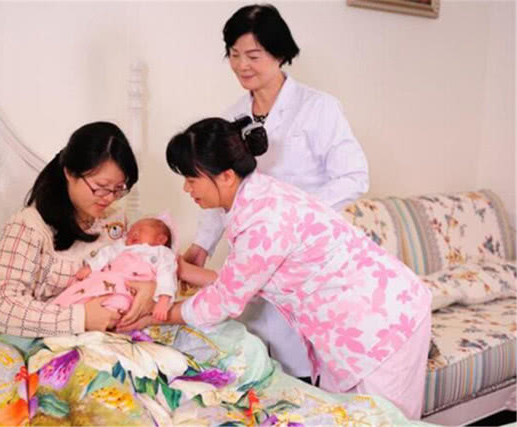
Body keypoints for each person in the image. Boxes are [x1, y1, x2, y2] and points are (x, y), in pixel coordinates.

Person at [120, 116, 431, 420]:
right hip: (355, 322)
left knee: (384, 419)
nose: (187, 189)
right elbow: (241, 281)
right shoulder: (256, 198)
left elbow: (225, 301)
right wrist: (184, 271)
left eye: (191, 179)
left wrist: (159, 314)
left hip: (384, 323)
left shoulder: (263, 220)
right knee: (346, 416)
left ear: (226, 176)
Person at [182, 3, 369, 380]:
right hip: (255, 256)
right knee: (258, 368)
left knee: (305, 373)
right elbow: (222, 187)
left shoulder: (318, 108)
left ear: (280, 53)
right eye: (234, 55)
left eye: (253, 55)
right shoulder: (233, 117)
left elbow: (353, 176)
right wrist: (202, 245)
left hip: (306, 261)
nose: (242, 65)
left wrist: (296, 219)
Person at [0, 122, 157, 337]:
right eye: (101, 187)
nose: (110, 198)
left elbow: (136, 264)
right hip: (47, 340)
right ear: (70, 173)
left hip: (110, 335)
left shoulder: (115, 220)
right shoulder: (29, 226)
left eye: (118, 189)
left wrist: (150, 288)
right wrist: (82, 318)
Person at [50, 216, 178, 321]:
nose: (133, 232)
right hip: (107, 279)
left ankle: (104, 317)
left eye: (141, 230)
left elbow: (167, 275)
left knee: (120, 304)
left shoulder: (162, 253)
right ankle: (62, 311)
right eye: (131, 230)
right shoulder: (122, 246)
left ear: (161, 239)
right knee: (82, 288)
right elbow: (106, 254)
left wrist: (164, 299)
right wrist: (90, 267)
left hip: (129, 288)